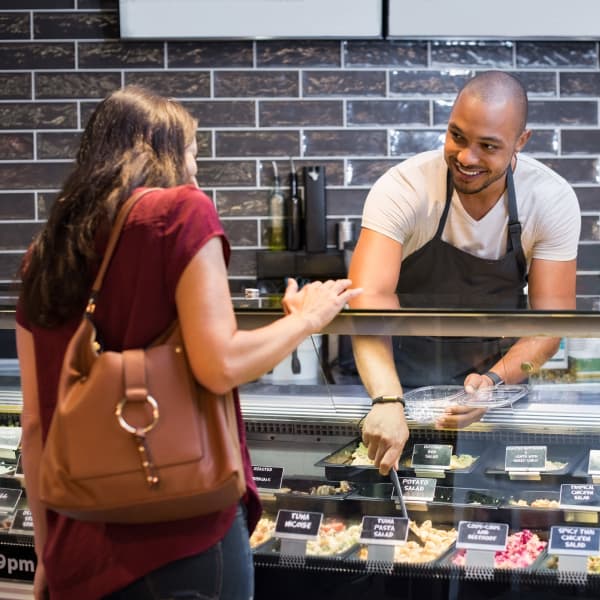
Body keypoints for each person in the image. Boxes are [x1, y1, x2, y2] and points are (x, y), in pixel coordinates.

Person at [16, 86, 362, 600]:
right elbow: (219, 364)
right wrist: (307, 319)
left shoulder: (46, 250)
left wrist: (48, 552)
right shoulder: (180, 214)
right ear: (156, 147)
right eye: (193, 153)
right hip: (179, 538)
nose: (196, 173)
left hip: (77, 546)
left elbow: (37, 423)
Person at [348, 70, 580, 475]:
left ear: (520, 143)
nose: (467, 157)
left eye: (488, 146)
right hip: (398, 392)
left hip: (495, 393)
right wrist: (387, 399)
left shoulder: (550, 199)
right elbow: (369, 305)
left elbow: (549, 328)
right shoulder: (404, 188)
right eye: (457, 136)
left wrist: (491, 386)